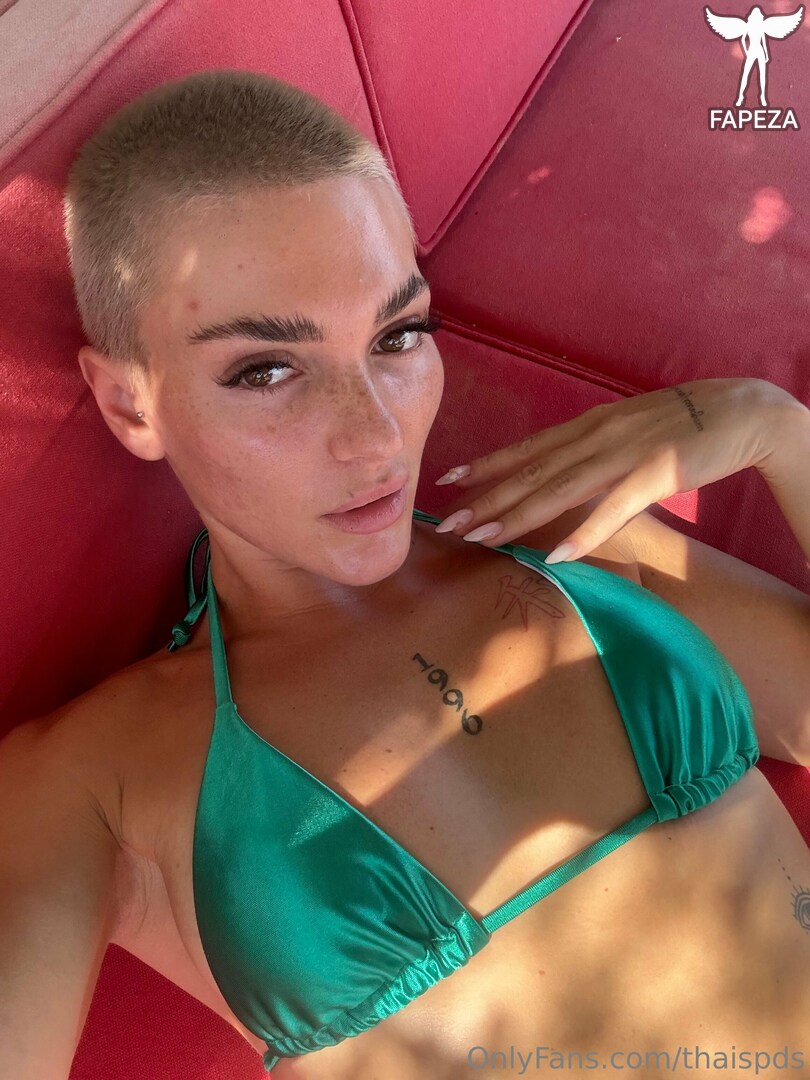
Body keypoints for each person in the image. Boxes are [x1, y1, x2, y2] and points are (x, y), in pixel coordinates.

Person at [2, 68, 810, 1080]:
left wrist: (777, 431)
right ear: (131, 403)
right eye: (266, 369)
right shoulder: (92, 777)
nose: (377, 436)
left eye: (398, 336)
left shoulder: (567, 531)